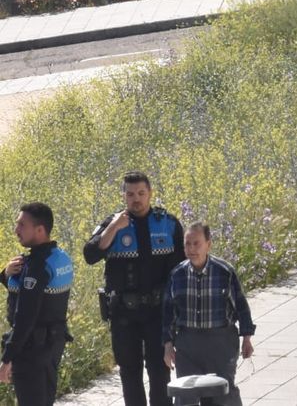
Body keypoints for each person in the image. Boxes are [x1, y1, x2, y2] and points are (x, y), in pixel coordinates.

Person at [85, 172, 184, 406]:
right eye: (130, 194)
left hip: (157, 313)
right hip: (123, 315)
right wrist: (114, 228)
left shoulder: (167, 223)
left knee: (160, 373)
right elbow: (90, 254)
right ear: (124, 196)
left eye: (141, 193)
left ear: (150, 193)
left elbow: (180, 270)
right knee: (129, 374)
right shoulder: (113, 223)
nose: (136, 199)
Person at [163, 225, 255, 406]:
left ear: (208, 245)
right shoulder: (177, 275)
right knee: (186, 394)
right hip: (188, 343)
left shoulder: (224, 272)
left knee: (222, 393)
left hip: (220, 342)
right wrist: (168, 345)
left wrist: (247, 338)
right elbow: (168, 314)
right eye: (187, 244)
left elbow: (241, 307)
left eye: (197, 244)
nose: (191, 249)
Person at [2, 202, 73, 406]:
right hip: (53, 343)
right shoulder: (59, 258)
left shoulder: (36, 266)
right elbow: (39, 296)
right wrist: (5, 275)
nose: (16, 230)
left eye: (22, 225)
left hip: (32, 349)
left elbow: (25, 316)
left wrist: (7, 358)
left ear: (40, 230)